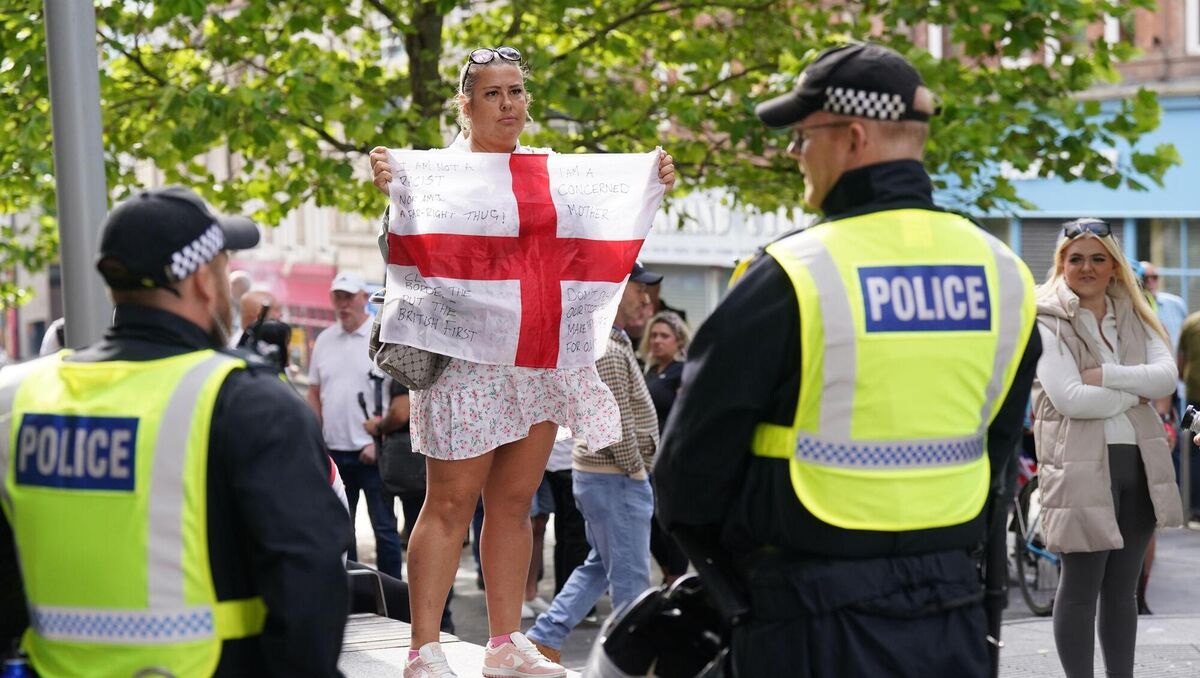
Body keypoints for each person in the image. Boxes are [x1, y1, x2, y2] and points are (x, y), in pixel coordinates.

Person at [654, 43, 1042, 677]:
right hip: (951, 611)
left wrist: (737, 581)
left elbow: (687, 473)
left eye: (803, 136)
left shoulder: (791, 275)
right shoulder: (1003, 273)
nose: (793, 152)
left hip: (807, 617)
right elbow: (998, 450)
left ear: (854, 136)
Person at [368, 45, 675, 678]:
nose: (508, 104)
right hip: (463, 361)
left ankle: (504, 643)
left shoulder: (549, 171)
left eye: (516, 92)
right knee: (450, 503)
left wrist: (649, 183)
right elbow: (405, 254)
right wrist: (394, 193)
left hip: (536, 358)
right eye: (492, 93)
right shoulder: (436, 174)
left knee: (514, 502)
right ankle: (423, 649)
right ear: (465, 105)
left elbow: (593, 238)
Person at [0, 186, 350, 676]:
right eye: (223, 266)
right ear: (202, 281)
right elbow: (309, 594)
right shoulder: (251, 404)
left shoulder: (18, 400)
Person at [1033, 219, 1183, 677]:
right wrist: (1135, 394)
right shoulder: (1046, 318)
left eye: (1098, 258)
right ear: (1061, 263)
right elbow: (1070, 398)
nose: (1087, 267)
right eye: (1076, 258)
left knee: (1122, 591)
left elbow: (1166, 378)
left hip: (1140, 463)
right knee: (1080, 589)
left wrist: (1107, 376)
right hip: (1079, 467)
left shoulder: (1136, 313)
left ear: (1114, 266)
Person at [525, 262, 663, 662]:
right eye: (639, 289)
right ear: (616, 290)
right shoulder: (608, 346)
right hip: (616, 477)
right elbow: (615, 424)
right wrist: (636, 471)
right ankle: (629, 662)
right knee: (631, 582)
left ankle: (545, 636)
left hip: (605, 476)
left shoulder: (608, 341)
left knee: (599, 566)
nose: (645, 299)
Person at [307, 271, 403, 581]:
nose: (343, 304)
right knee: (340, 531)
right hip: (334, 452)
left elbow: (397, 395)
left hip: (373, 451)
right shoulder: (324, 340)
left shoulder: (381, 338)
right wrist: (317, 438)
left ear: (364, 297)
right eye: (338, 297)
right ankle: (352, 592)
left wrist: (379, 437)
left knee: (384, 528)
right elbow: (314, 391)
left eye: (349, 297)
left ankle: (392, 593)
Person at [639, 311, 691, 586]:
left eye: (665, 336)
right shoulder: (651, 372)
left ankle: (676, 578)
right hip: (649, 459)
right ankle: (669, 575)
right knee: (648, 520)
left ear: (678, 341)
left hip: (673, 460)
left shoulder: (682, 372)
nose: (657, 341)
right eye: (654, 335)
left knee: (669, 521)